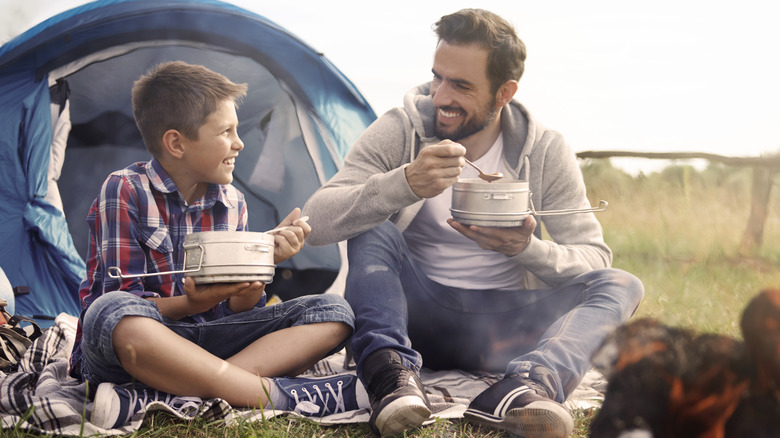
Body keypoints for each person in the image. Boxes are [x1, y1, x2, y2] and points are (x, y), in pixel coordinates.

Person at [302, 9, 644, 438]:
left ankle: (525, 388)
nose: (441, 96)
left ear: (505, 92)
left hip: (507, 330)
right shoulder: (400, 130)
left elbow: (594, 258)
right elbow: (316, 221)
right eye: (437, 77)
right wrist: (403, 184)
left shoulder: (546, 150)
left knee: (623, 283)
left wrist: (526, 249)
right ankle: (391, 378)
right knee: (374, 229)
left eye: (461, 86)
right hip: (414, 319)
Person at [69, 61, 364, 429]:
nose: (239, 143)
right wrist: (194, 303)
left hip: (208, 342)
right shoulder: (125, 189)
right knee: (110, 312)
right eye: (226, 132)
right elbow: (122, 298)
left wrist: (259, 266)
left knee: (333, 312)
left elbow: (239, 311)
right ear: (176, 143)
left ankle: (162, 398)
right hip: (141, 347)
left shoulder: (233, 201)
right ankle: (280, 395)